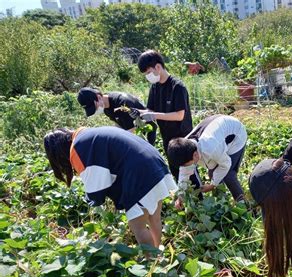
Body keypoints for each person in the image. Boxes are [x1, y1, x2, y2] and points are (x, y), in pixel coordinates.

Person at [43, 126, 177, 249]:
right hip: (154, 162)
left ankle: (152, 263)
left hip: (139, 173)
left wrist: (92, 200)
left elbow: (96, 190)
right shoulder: (87, 134)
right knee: (154, 217)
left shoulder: (78, 149)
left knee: (138, 227)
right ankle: (157, 251)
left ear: (59, 152)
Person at [137, 50, 200, 189]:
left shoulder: (177, 86)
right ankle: (184, 200)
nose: (148, 76)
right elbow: (151, 110)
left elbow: (179, 115)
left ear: (158, 67)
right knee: (175, 171)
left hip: (183, 137)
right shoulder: (155, 87)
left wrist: (154, 116)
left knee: (189, 172)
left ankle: (198, 200)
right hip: (167, 137)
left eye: (148, 72)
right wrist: (138, 112)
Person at [167, 114, 247, 207]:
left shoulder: (210, 146)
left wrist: (212, 185)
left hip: (236, 134)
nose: (187, 167)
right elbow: (184, 173)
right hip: (217, 130)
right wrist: (181, 195)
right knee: (213, 172)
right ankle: (223, 203)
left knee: (228, 174)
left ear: (195, 155)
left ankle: (242, 204)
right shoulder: (184, 147)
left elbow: (226, 164)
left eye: (188, 164)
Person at [77, 87, 157, 145]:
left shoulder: (123, 103)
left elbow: (138, 127)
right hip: (133, 135)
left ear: (98, 97)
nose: (96, 110)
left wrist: (117, 137)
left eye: (95, 107)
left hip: (146, 133)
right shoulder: (106, 107)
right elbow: (118, 124)